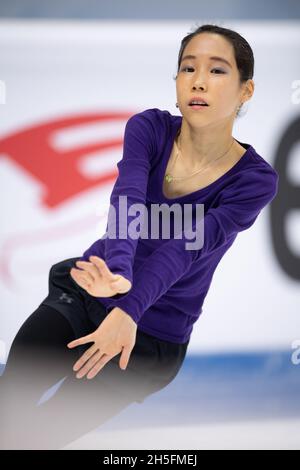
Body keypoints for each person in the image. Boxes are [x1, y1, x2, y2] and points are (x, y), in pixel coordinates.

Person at [0, 23, 279, 450]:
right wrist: (118, 275)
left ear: (246, 90)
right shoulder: (148, 128)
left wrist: (129, 307)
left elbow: (188, 244)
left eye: (217, 70)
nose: (199, 80)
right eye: (188, 68)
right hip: (90, 288)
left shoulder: (254, 180)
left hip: (151, 337)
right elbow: (127, 201)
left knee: (36, 436)